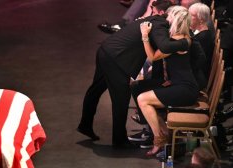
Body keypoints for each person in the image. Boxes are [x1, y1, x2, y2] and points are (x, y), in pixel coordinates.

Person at [77, 0, 190, 147]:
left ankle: (85, 125)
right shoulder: (160, 24)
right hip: (116, 60)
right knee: (121, 99)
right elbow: (165, 46)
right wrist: (186, 42)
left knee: (96, 89)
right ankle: (119, 141)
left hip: (106, 50)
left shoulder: (150, 20)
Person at [138, 5, 199, 155]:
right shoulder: (180, 38)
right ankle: (166, 135)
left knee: (143, 99)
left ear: (175, 19)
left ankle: (159, 139)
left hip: (186, 89)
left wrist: (145, 36)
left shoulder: (179, 41)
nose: (166, 19)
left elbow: (153, 57)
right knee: (144, 97)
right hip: (180, 84)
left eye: (169, 16)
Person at [189, 2, 214, 82]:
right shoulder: (202, 33)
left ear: (201, 19)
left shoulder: (203, 37)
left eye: (191, 15)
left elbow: (197, 63)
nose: (187, 18)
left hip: (196, 79)